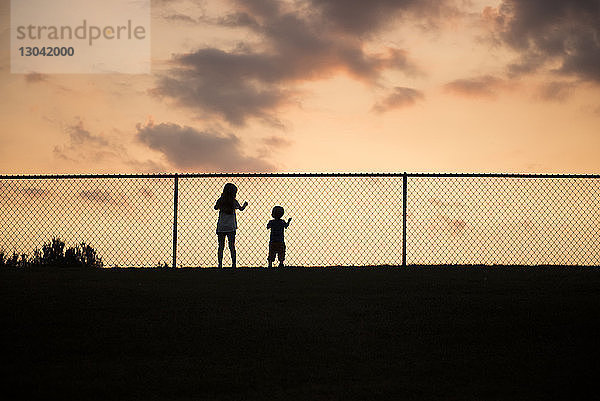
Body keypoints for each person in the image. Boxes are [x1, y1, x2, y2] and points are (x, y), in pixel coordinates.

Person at [214, 183, 248, 268]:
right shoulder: (233, 201)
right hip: (231, 227)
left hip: (221, 226)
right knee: (232, 246)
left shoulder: (221, 200)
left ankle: (220, 264)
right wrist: (245, 204)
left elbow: (215, 207)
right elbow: (241, 209)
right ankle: (233, 264)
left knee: (221, 246)